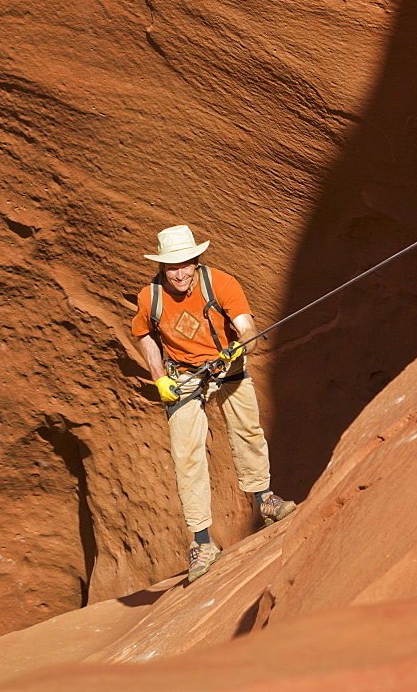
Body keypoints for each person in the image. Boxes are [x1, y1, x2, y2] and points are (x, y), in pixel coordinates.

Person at [131, 224, 296, 583]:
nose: (180, 272)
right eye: (173, 266)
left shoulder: (221, 283)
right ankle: (202, 542)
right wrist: (159, 376)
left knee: (247, 429)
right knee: (186, 454)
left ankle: (264, 498)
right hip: (184, 377)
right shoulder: (150, 297)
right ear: (161, 266)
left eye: (187, 263)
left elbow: (248, 329)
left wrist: (241, 346)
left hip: (228, 365)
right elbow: (143, 334)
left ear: (196, 259)